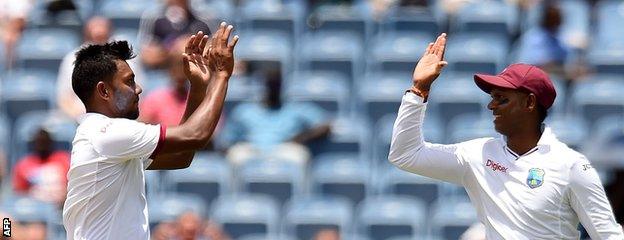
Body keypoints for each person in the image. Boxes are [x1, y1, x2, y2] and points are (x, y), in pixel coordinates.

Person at [388, 33, 624, 239]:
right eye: (492, 98)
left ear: (530, 102)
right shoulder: (477, 155)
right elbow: (405, 155)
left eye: (502, 99)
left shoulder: (571, 166)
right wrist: (419, 90)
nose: (491, 106)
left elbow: (608, 235)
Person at [62, 22, 239, 240]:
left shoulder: (107, 138)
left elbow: (180, 156)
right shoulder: (107, 133)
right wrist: (221, 76)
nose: (138, 89)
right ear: (103, 91)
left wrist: (198, 87)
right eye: (129, 82)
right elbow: (195, 134)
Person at [221, 69, 331, 166]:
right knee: (236, 156)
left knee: (299, 157)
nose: (272, 88)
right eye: (270, 85)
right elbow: (226, 141)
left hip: (284, 149)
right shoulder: (245, 110)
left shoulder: (295, 108)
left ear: (281, 87)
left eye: (276, 85)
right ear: (263, 86)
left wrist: (299, 138)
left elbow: (325, 127)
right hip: (252, 149)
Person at [57, 16, 146, 119]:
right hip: (80, 119)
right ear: (86, 37)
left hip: (123, 118)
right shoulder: (71, 59)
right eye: (94, 39)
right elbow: (64, 99)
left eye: (103, 37)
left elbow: (139, 91)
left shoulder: (126, 60)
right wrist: (83, 119)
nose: (99, 43)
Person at [140, 0, 211, 69]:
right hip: (163, 73)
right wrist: (173, 51)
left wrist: (186, 47)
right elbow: (147, 57)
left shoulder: (201, 22)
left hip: (193, 73)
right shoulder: (155, 20)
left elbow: (210, 53)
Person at [12, 128, 70, 207]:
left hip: (60, 206)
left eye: (44, 141)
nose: (42, 145)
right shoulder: (24, 164)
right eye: (39, 142)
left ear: (50, 142)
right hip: (34, 208)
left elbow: (72, 187)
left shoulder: (64, 159)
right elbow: (19, 193)